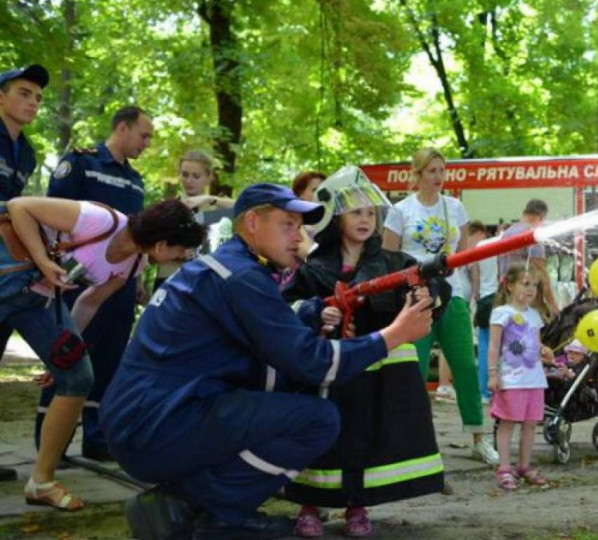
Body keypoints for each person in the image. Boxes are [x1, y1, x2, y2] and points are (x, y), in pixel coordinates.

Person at [102, 183, 434, 540]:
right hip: (157, 427)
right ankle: (202, 508)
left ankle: (195, 501)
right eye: (287, 225)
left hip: (146, 419)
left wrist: (313, 312)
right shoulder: (242, 277)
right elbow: (315, 363)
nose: (299, 236)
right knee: (317, 420)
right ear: (252, 223)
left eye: (301, 227)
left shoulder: (223, 268)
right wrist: (396, 334)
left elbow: (259, 331)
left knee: (280, 394)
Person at [3, 196, 204, 511]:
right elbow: (18, 207)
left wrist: (63, 352)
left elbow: (89, 302)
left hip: (34, 301)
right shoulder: (101, 220)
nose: (179, 259)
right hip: (7, 277)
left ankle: (41, 482)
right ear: (163, 245)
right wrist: (44, 261)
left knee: (77, 376)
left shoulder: (134, 263)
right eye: (179, 253)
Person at [282, 168, 443, 537]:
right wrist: (316, 312)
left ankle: (357, 506)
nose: (365, 219)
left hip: (374, 372)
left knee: (364, 436)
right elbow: (285, 308)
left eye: (370, 212)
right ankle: (310, 503)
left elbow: (432, 289)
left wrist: (428, 294)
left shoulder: (392, 263)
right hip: (327, 370)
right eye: (356, 212)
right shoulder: (312, 269)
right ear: (336, 218)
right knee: (322, 435)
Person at [40, 105, 154, 462]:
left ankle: (96, 436)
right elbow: (52, 213)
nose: (146, 143)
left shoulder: (136, 180)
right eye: (143, 135)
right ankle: (48, 442)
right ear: (122, 128)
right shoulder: (82, 162)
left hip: (118, 285)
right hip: (76, 277)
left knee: (109, 360)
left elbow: (137, 234)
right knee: (67, 355)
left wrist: (137, 277)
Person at [382, 147, 497, 465]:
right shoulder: (401, 211)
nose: (438, 177)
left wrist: (466, 287)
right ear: (417, 175)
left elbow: (461, 255)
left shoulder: (455, 207)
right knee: (412, 370)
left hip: (453, 296)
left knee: (465, 365)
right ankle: (410, 440)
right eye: (431, 171)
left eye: (442, 171)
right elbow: (388, 259)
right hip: (414, 300)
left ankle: (477, 437)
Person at [0, 63, 48, 482]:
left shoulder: (27, 152)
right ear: (0, 96)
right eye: (23, 93)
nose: (32, 102)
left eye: (38, 97)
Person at [487, 264, 553, 490]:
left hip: (534, 379)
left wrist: (544, 350)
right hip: (511, 379)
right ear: (509, 285)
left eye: (534, 285)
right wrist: (492, 373)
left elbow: (534, 342)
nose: (531, 290)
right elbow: (494, 346)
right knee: (507, 424)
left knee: (531, 424)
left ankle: (524, 465)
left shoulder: (534, 315)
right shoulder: (501, 313)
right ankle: (504, 468)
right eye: (525, 284)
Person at [154, 150, 234, 290]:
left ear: (209, 177)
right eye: (185, 175)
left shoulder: (216, 209)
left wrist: (210, 199)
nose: (189, 181)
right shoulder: (165, 209)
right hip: (169, 280)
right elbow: (149, 252)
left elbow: (247, 206)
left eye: (196, 176)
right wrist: (175, 253)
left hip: (205, 282)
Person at [497, 199, 559, 317]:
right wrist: (552, 305)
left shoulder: (506, 234)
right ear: (542, 217)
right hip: (525, 301)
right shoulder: (533, 235)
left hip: (505, 297)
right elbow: (541, 273)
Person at [469, 220, 498, 404]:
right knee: (499, 346)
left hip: (484, 299)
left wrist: (476, 298)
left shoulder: (479, 248)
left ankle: (484, 391)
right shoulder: (500, 246)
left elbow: (475, 277)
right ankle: (497, 389)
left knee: (484, 345)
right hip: (499, 297)